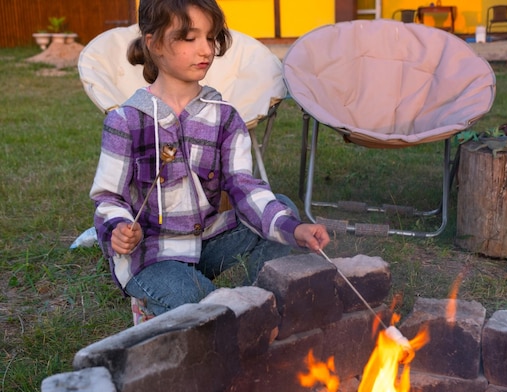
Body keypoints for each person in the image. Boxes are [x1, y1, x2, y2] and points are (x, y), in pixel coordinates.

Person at [90, 0, 330, 317]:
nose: (206, 50)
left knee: (283, 208)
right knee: (200, 298)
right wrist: (119, 226)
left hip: (205, 241)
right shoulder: (126, 121)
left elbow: (244, 186)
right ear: (154, 44)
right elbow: (109, 196)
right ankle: (193, 305)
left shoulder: (225, 118)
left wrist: (292, 229)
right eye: (190, 38)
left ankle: (257, 306)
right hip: (149, 254)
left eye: (210, 37)